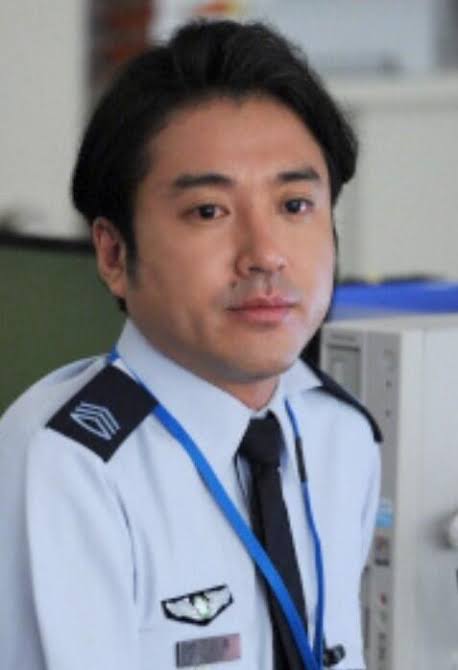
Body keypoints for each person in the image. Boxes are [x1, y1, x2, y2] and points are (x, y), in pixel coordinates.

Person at [0, 19, 381, 670]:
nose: (265, 254)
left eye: (295, 205)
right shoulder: (68, 468)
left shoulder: (339, 433)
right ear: (114, 255)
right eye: (209, 211)